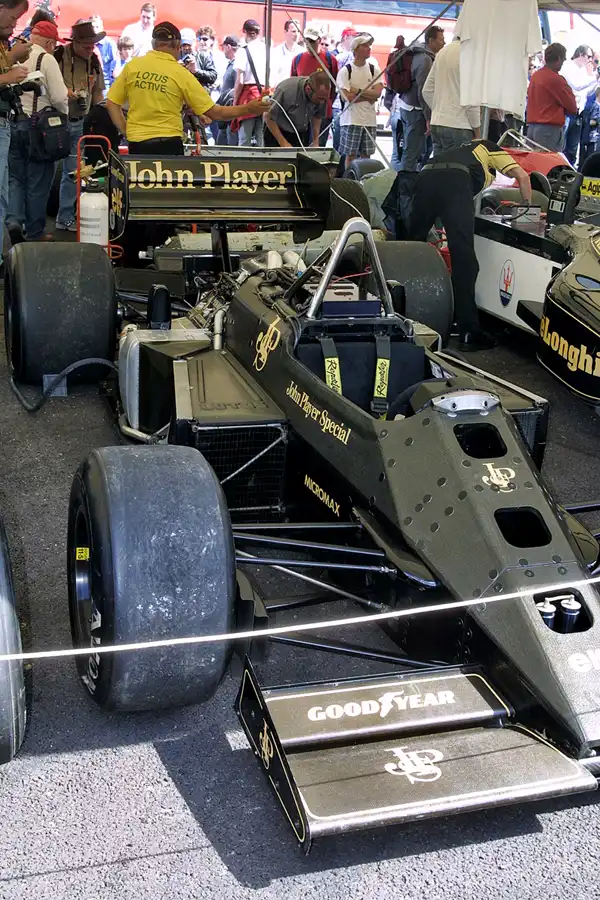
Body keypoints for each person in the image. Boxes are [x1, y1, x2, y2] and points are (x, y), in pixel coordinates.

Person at [409, 140, 532, 352]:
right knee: (464, 258)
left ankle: (403, 315)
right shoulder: (489, 146)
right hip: (455, 180)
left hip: (424, 176)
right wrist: (529, 207)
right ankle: (469, 331)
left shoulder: (458, 149)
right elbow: (522, 176)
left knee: (409, 249)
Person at [106, 21, 269, 155]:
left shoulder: (133, 66)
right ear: (177, 45)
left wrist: (126, 130)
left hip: (137, 144)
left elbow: (112, 102)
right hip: (168, 144)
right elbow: (215, 113)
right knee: (168, 193)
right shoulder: (180, 73)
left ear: (154, 44)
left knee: (140, 190)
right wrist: (249, 107)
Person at [7, 19, 67, 242]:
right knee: (38, 181)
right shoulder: (46, 59)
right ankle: (34, 231)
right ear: (50, 42)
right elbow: (60, 97)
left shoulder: (13, 54)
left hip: (13, 123)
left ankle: (14, 220)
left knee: (15, 178)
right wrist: (64, 115)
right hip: (38, 128)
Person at [54, 19, 105, 232]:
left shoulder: (94, 61)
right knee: (46, 173)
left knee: (73, 174)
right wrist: (65, 93)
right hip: (56, 123)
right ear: (73, 42)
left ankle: (66, 216)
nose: (90, 49)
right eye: (86, 45)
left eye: (92, 45)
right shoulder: (58, 56)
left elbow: (99, 95)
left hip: (81, 123)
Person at [0, 0, 32, 266]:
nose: (14, 24)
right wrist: (9, 72)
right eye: (12, 18)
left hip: (4, 122)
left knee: (3, 196)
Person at [396, 24, 444, 172]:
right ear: (431, 40)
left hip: (407, 106)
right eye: (441, 39)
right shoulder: (425, 60)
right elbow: (424, 91)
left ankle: (406, 181)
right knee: (411, 153)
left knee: (411, 151)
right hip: (416, 111)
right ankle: (405, 188)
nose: (444, 43)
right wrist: (429, 117)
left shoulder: (418, 54)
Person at [422, 38, 481, 154]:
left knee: (439, 169)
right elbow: (471, 102)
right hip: (459, 127)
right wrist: (478, 133)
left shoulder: (442, 52)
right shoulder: (471, 55)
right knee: (458, 170)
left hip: (437, 124)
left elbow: (426, 90)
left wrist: (440, 109)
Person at [336, 33, 382, 168]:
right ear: (356, 50)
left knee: (366, 156)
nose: (369, 48)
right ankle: (349, 182)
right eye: (365, 46)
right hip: (351, 120)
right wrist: (369, 95)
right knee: (350, 156)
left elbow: (377, 94)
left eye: (369, 46)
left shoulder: (374, 69)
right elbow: (347, 97)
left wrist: (357, 90)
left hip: (369, 121)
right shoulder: (346, 71)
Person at [291, 26, 337, 146]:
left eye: (312, 41)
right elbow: (293, 84)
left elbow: (335, 84)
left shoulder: (330, 59)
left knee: (319, 146)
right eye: (306, 41)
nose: (308, 44)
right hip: (301, 111)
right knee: (301, 145)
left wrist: (328, 101)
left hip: (323, 110)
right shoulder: (297, 59)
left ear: (319, 40)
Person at [526, 42, 577, 152]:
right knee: (548, 166)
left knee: (531, 165)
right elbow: (572, 107)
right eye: (563, 60)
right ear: (559, 59)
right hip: (548, 131)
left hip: (532, 128)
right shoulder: (556, 79)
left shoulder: (535, 76)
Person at [264, 70, 330, 148]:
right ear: (308, 89)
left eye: (325, 99)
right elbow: (268, 117)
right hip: (277, 131)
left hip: (300, 132)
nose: (322, 102)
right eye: (320, 98)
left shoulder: (321, 95)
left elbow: (317, 116)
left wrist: (315, 142)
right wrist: (283, 143)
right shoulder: (286, 90)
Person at [560, 45, 599, 166]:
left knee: (572, 149)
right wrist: (595, 77)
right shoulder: (567, 67)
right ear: (581, 54)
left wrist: (597, 81)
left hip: (578, 114)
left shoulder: (582, 71)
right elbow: (577, 85)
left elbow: (587, 92)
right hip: (566, 113)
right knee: (562, 146)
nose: (590, 60)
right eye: (589, 57)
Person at [233, 19, 266, 147]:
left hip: (248, 97)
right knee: (261, 139)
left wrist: (235, 102)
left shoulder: (243, 50)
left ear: (244, 32)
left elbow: (240, 81)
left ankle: (243, 165)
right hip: (264, 96)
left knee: (244, 139)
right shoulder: (267, 49)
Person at [215, 34, 238, 146]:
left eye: (223, 47)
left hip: (230, 111)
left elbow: (237, 87)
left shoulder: (236, 66)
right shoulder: (232, 65)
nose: (223, 50)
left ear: (228, 47)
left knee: (227, 143)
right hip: (225, 111)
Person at [270, 19, 301, 86]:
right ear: (285, 32)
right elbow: (272, 77)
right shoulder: (275, 52)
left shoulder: (302, 52)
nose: (297, 34)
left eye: (298, 31)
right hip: (280, 91)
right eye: (293, 31)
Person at [92, 15, 117, 91]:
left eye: (97, 27)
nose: (95, 30)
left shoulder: (110, 44)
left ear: (102, 28)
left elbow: (114, 66)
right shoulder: (87, 44)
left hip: (105, 86)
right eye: (92, 27)